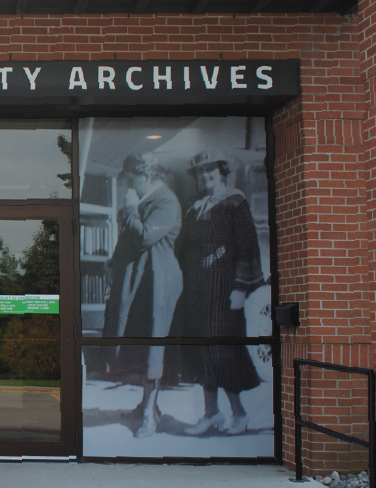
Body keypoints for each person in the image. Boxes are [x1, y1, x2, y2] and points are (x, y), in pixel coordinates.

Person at [162, 151, 265, 437]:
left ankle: (239, 413)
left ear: (221, 171)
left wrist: (241, 288)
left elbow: (247, 248)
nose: (204, 176)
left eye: (210, 170)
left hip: (224, 291)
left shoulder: (235, 202)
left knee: (222, 352)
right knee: (202, 352)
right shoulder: (194, 206)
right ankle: (211, 413)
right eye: (199, 172)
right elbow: (182, 248)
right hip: (196, 290)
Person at [101, 153, 183, 438]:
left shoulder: (165, 201)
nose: (129, 184)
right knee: (136, 346)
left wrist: (130, 210)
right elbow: (132, 242)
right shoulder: (146, 201)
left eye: (131, 178)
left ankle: (150, 415)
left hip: (157, 283)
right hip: (140, 282)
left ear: (145, 175)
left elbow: (146, 236)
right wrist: (115, 261)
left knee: (153, 347)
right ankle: (148, 406)